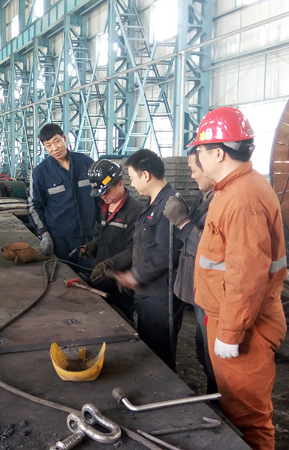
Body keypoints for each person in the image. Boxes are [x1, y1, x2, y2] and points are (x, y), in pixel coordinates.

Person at [190, 106, 287, 450]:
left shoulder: (243, 198)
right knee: (234, 407)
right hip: (231, 316)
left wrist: (231, 332)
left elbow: (247, 275)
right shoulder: (232, 189)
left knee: (248, 417)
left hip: (245, 326)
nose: (199, 158)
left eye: (201, 150)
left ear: (218, 153)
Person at [112, 149, 186, 371]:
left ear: (145, 175)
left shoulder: (170, 205)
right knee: (149, 348)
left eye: (132, 177)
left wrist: (135, 276)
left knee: (161, 353)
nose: (132, 183)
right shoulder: (152, 203)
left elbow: (166, 253)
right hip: (148, 292)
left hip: (163, 297)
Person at [162, 148, 218, 394]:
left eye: (195, 170)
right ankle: (212, 393)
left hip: (215, 292)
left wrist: (183, 222)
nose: (192, 176)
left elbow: (211, 249)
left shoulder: (222, 202)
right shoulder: (205, 196)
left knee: (213, 354)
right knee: (202, 348)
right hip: (201, 289)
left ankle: (218, 400)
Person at [27, 123, 98, 267]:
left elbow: (101, 197)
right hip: (60, 241)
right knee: (64, 276)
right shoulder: (40, 172)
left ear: (64, 138)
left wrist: (103, 227)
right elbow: (33, 205)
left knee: (92, 275)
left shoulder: (86, 163)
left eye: (56, 141)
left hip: (90, 237)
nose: (54, 148)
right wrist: (44, 233)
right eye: (48, 145)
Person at [81, 159, 144, 322]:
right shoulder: (104, 207)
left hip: (121, 285)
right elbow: (106, 235)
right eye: (100, 192)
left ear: (120, 184)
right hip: (102, 280)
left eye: (106, 191)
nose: (103, 196)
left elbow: (135, 249)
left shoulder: (136, 212)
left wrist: (109, 265)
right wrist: (94, 245)